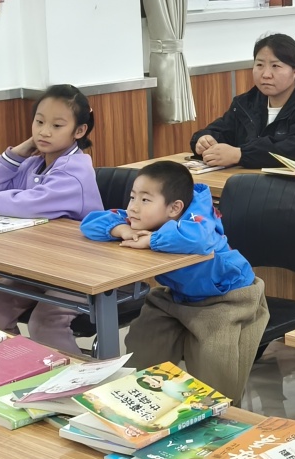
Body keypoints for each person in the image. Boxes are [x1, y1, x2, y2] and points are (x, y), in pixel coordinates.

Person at [82, 161, 265, 399]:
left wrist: (152, 240)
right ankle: (145, 405)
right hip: (178, 297)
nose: (133, 208)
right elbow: (90, 223)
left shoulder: (199, 218)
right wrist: (120, 230)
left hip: (227, 298)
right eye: (132, 197)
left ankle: (217, 420)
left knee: (215, 364)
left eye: (145, 200)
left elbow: (197, 240)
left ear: (174, 208)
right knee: (143, 342)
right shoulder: (139, 219)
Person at [0, 84, 102, 356]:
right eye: (39, 122)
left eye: (56, 125)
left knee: (45, 323)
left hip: (82, 271)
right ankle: (21, 365)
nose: (44, 131)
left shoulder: (75, 171)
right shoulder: (33, 162)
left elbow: (32, 203)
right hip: (41, 267)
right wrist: (18, 152)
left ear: (79, 131)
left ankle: (77, 384)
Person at [191, 33, 295, 169]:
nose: (266, 75)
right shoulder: (246, 103)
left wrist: (240, 155)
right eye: (259, 65)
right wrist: (203, 140)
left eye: (275, 66)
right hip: (251, 185)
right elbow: (222, 130)